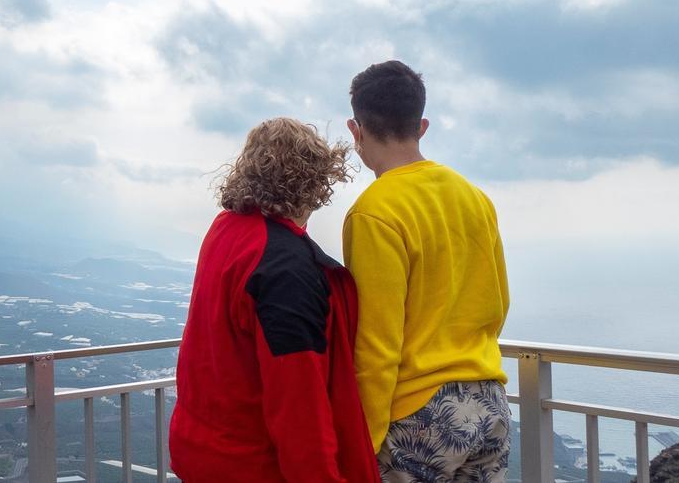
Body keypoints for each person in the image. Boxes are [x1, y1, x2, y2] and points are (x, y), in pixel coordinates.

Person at [169, 117, 378, 483]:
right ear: (314, 184)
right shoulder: (284, 268)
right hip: (253, 466)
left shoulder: (226, 229)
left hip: (200, 452)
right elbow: (299, 405)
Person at [342, 61, 512, 482]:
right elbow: (499, 303)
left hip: (418, 414)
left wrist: (360, 443)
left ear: (355, 130)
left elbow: (378, 343)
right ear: (422, 126)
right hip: (489, 402)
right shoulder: (475, 198)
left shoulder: (374, 212)